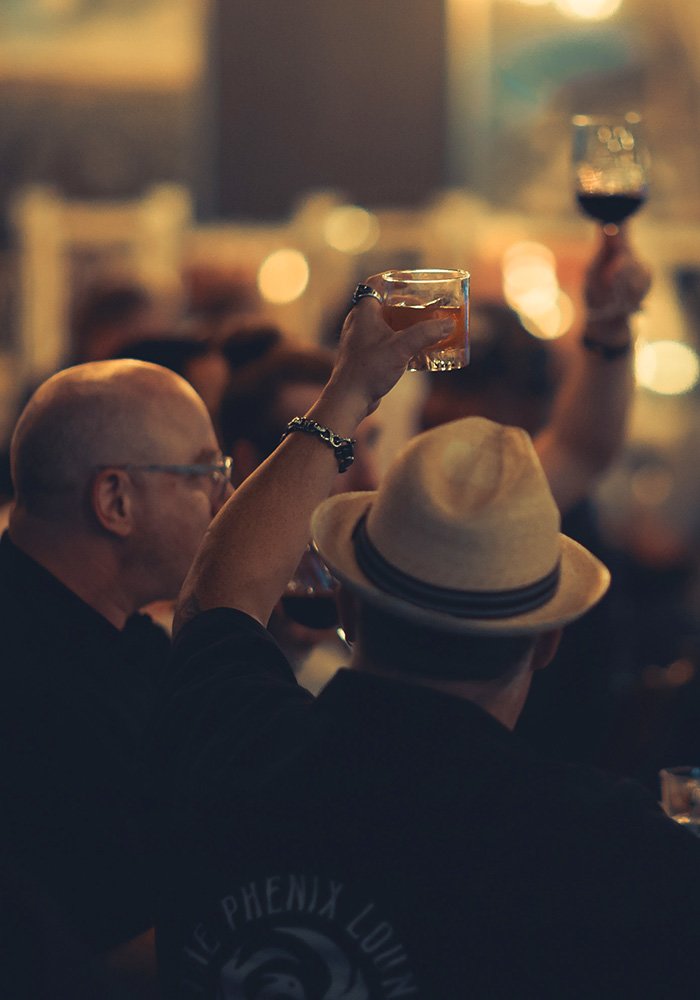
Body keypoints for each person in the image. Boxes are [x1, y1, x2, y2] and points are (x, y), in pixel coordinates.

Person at [147, 295, 700, 998]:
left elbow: (217, 594)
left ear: (345, 600)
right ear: (547, 642)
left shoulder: (235, 738)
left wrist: (349, 388)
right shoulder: (616, 856)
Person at [0, 360, 232, 984]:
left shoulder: (109, 632)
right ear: (115, 501)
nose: (225, 499)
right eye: (207, 473)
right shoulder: (39, 696)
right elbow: (121, 950)